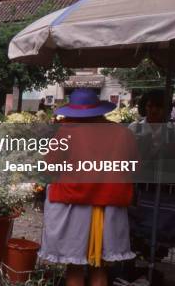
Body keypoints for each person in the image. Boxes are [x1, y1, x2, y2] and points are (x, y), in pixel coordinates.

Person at [39, 89, 138, 286]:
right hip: (109, 207)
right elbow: (133, 167)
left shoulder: (67, 132)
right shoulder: (123, 133)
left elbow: (50, 166)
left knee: (74, 268)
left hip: (73, 205)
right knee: (99, 267)